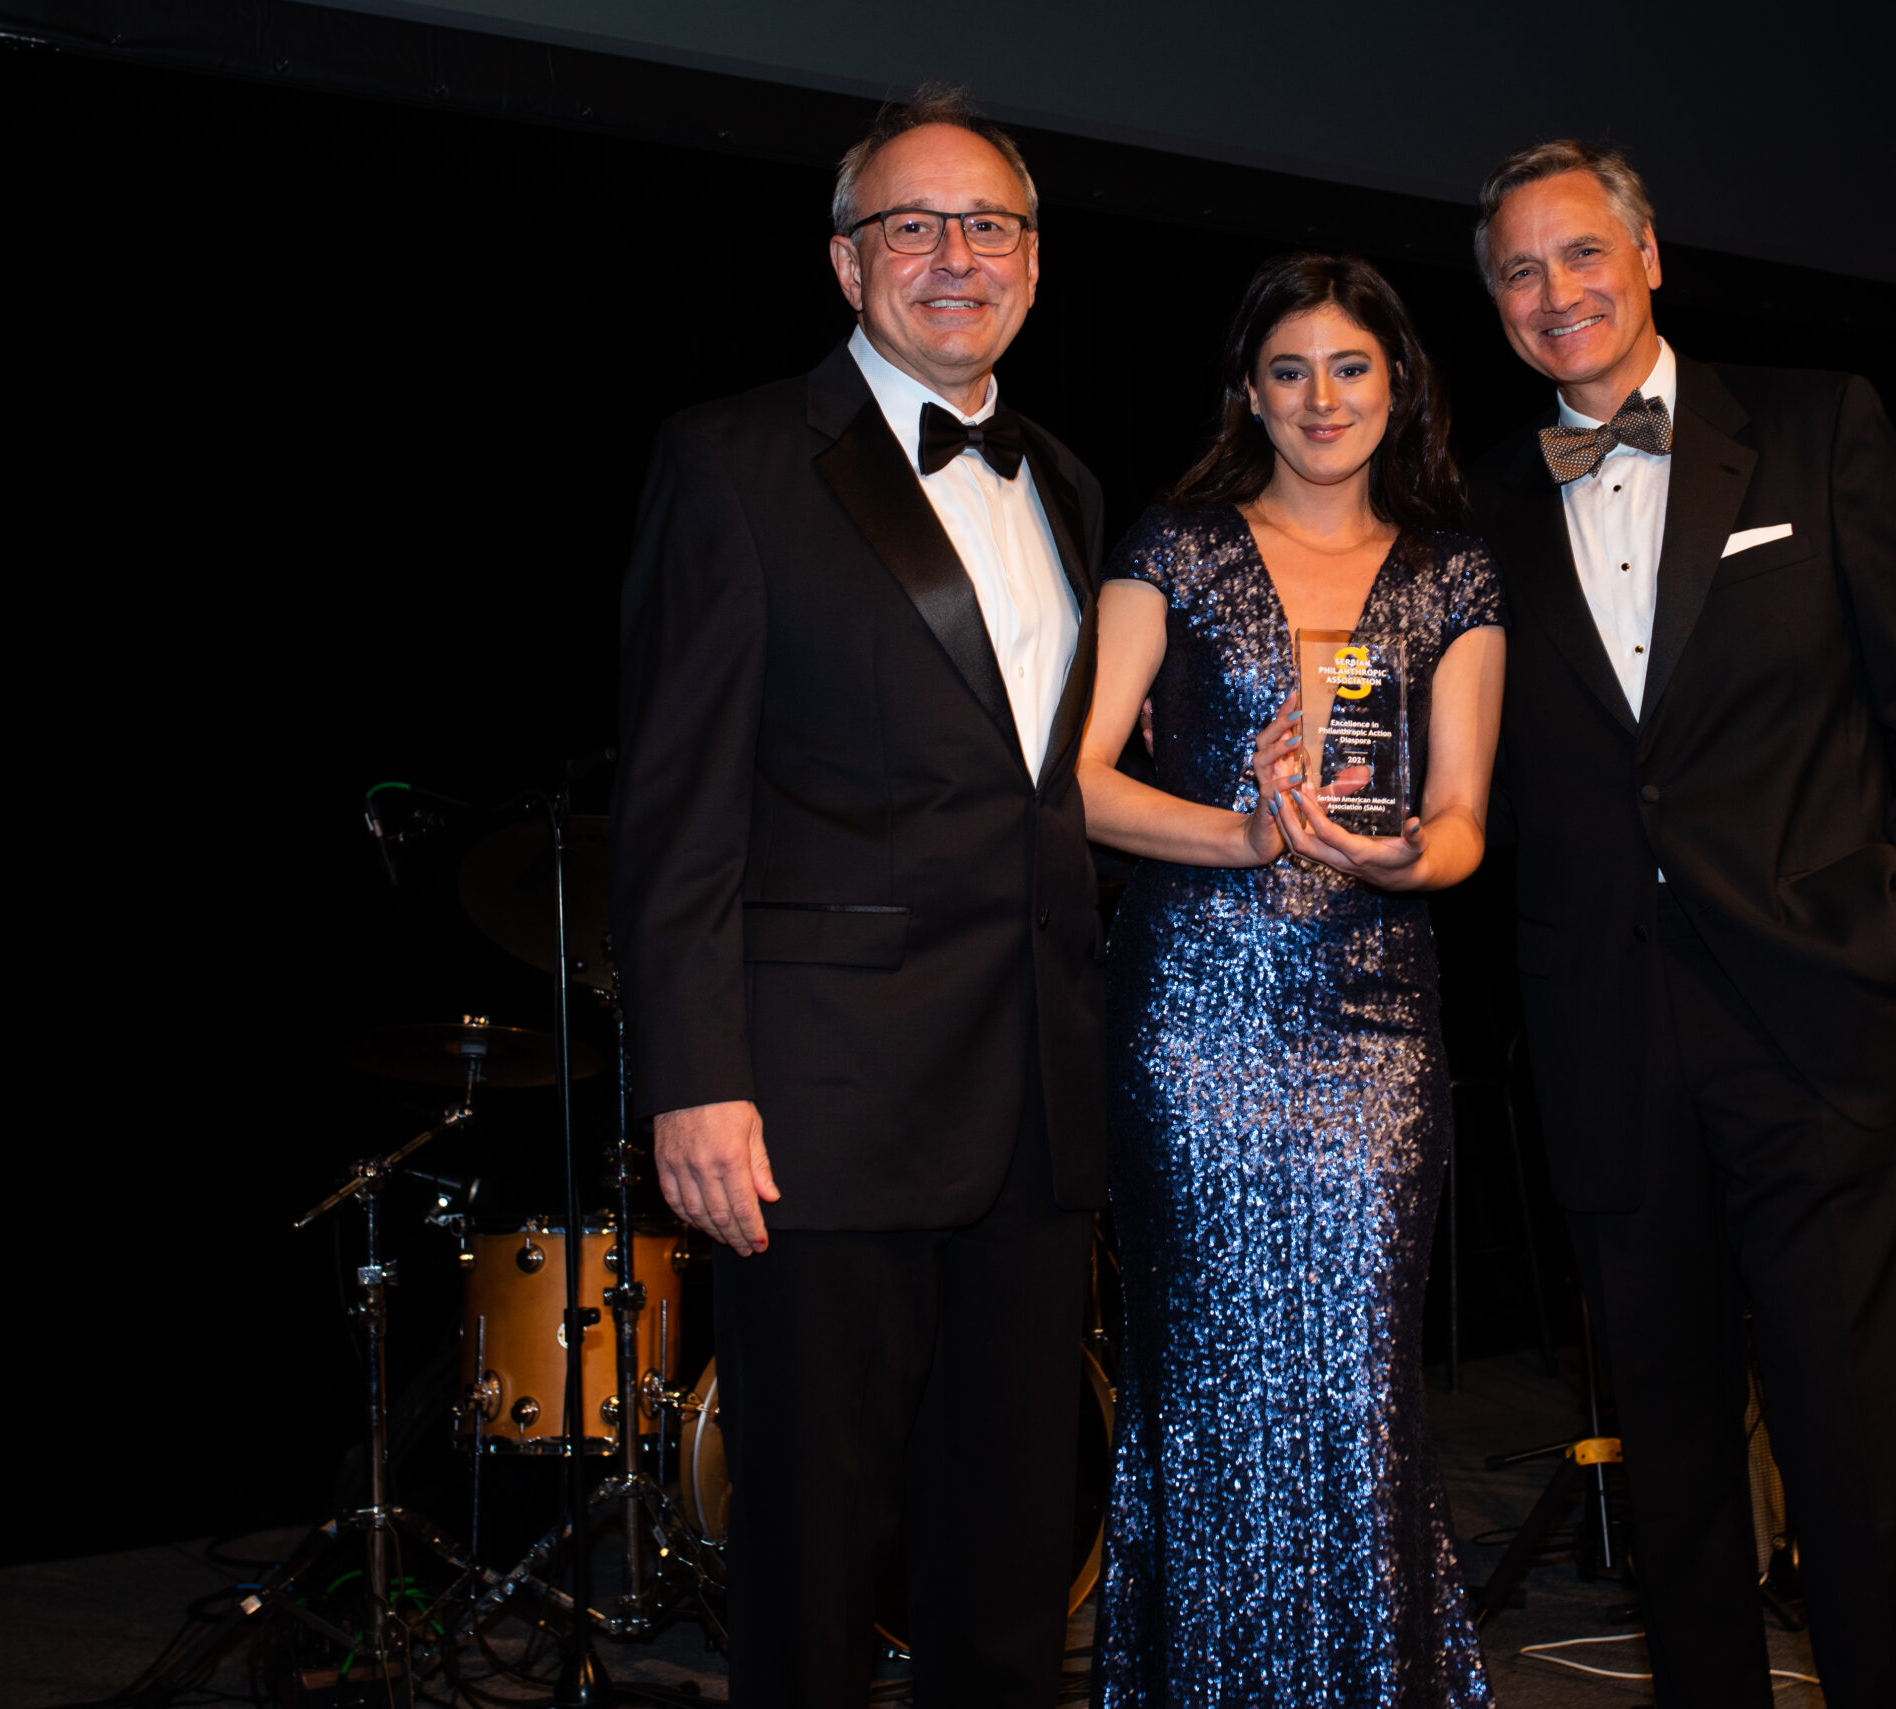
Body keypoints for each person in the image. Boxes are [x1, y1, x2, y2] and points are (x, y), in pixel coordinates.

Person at [1467, 141, 1896, 1706]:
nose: (1554, 292)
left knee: (1863, 1450)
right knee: (1677, 1464)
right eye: (1518, 270)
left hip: (1830, 1023)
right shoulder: (1484, 505)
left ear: (1650, 256)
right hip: (1610, 1039)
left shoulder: (1820, 427)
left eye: (1580, 254)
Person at [612, 89, 1106, 1709]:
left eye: (991, 228)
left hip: (1035, 1112)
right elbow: (679, 802)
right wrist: (694, 1075)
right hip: (818, 1111)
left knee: (1010, 1558)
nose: (956, 257)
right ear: (845, 262)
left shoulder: (1074, 488)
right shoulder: (736, 460)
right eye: (913, 224)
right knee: (814, 1564)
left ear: (1035, 265)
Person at [1075, 253, 1504, 1708]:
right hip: (1194, 1022)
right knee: (1204, 1387)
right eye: (1290, 371)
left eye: (1351, 368)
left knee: (1358, 1387)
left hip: (1374, 1028)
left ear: (1401, 384)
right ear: (1248, 392)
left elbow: (1457, 826)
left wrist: (1388, 862)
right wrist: (1248, 830)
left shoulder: (1456, 573)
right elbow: (1075, 787)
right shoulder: (1175, 548)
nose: (1322, 400)